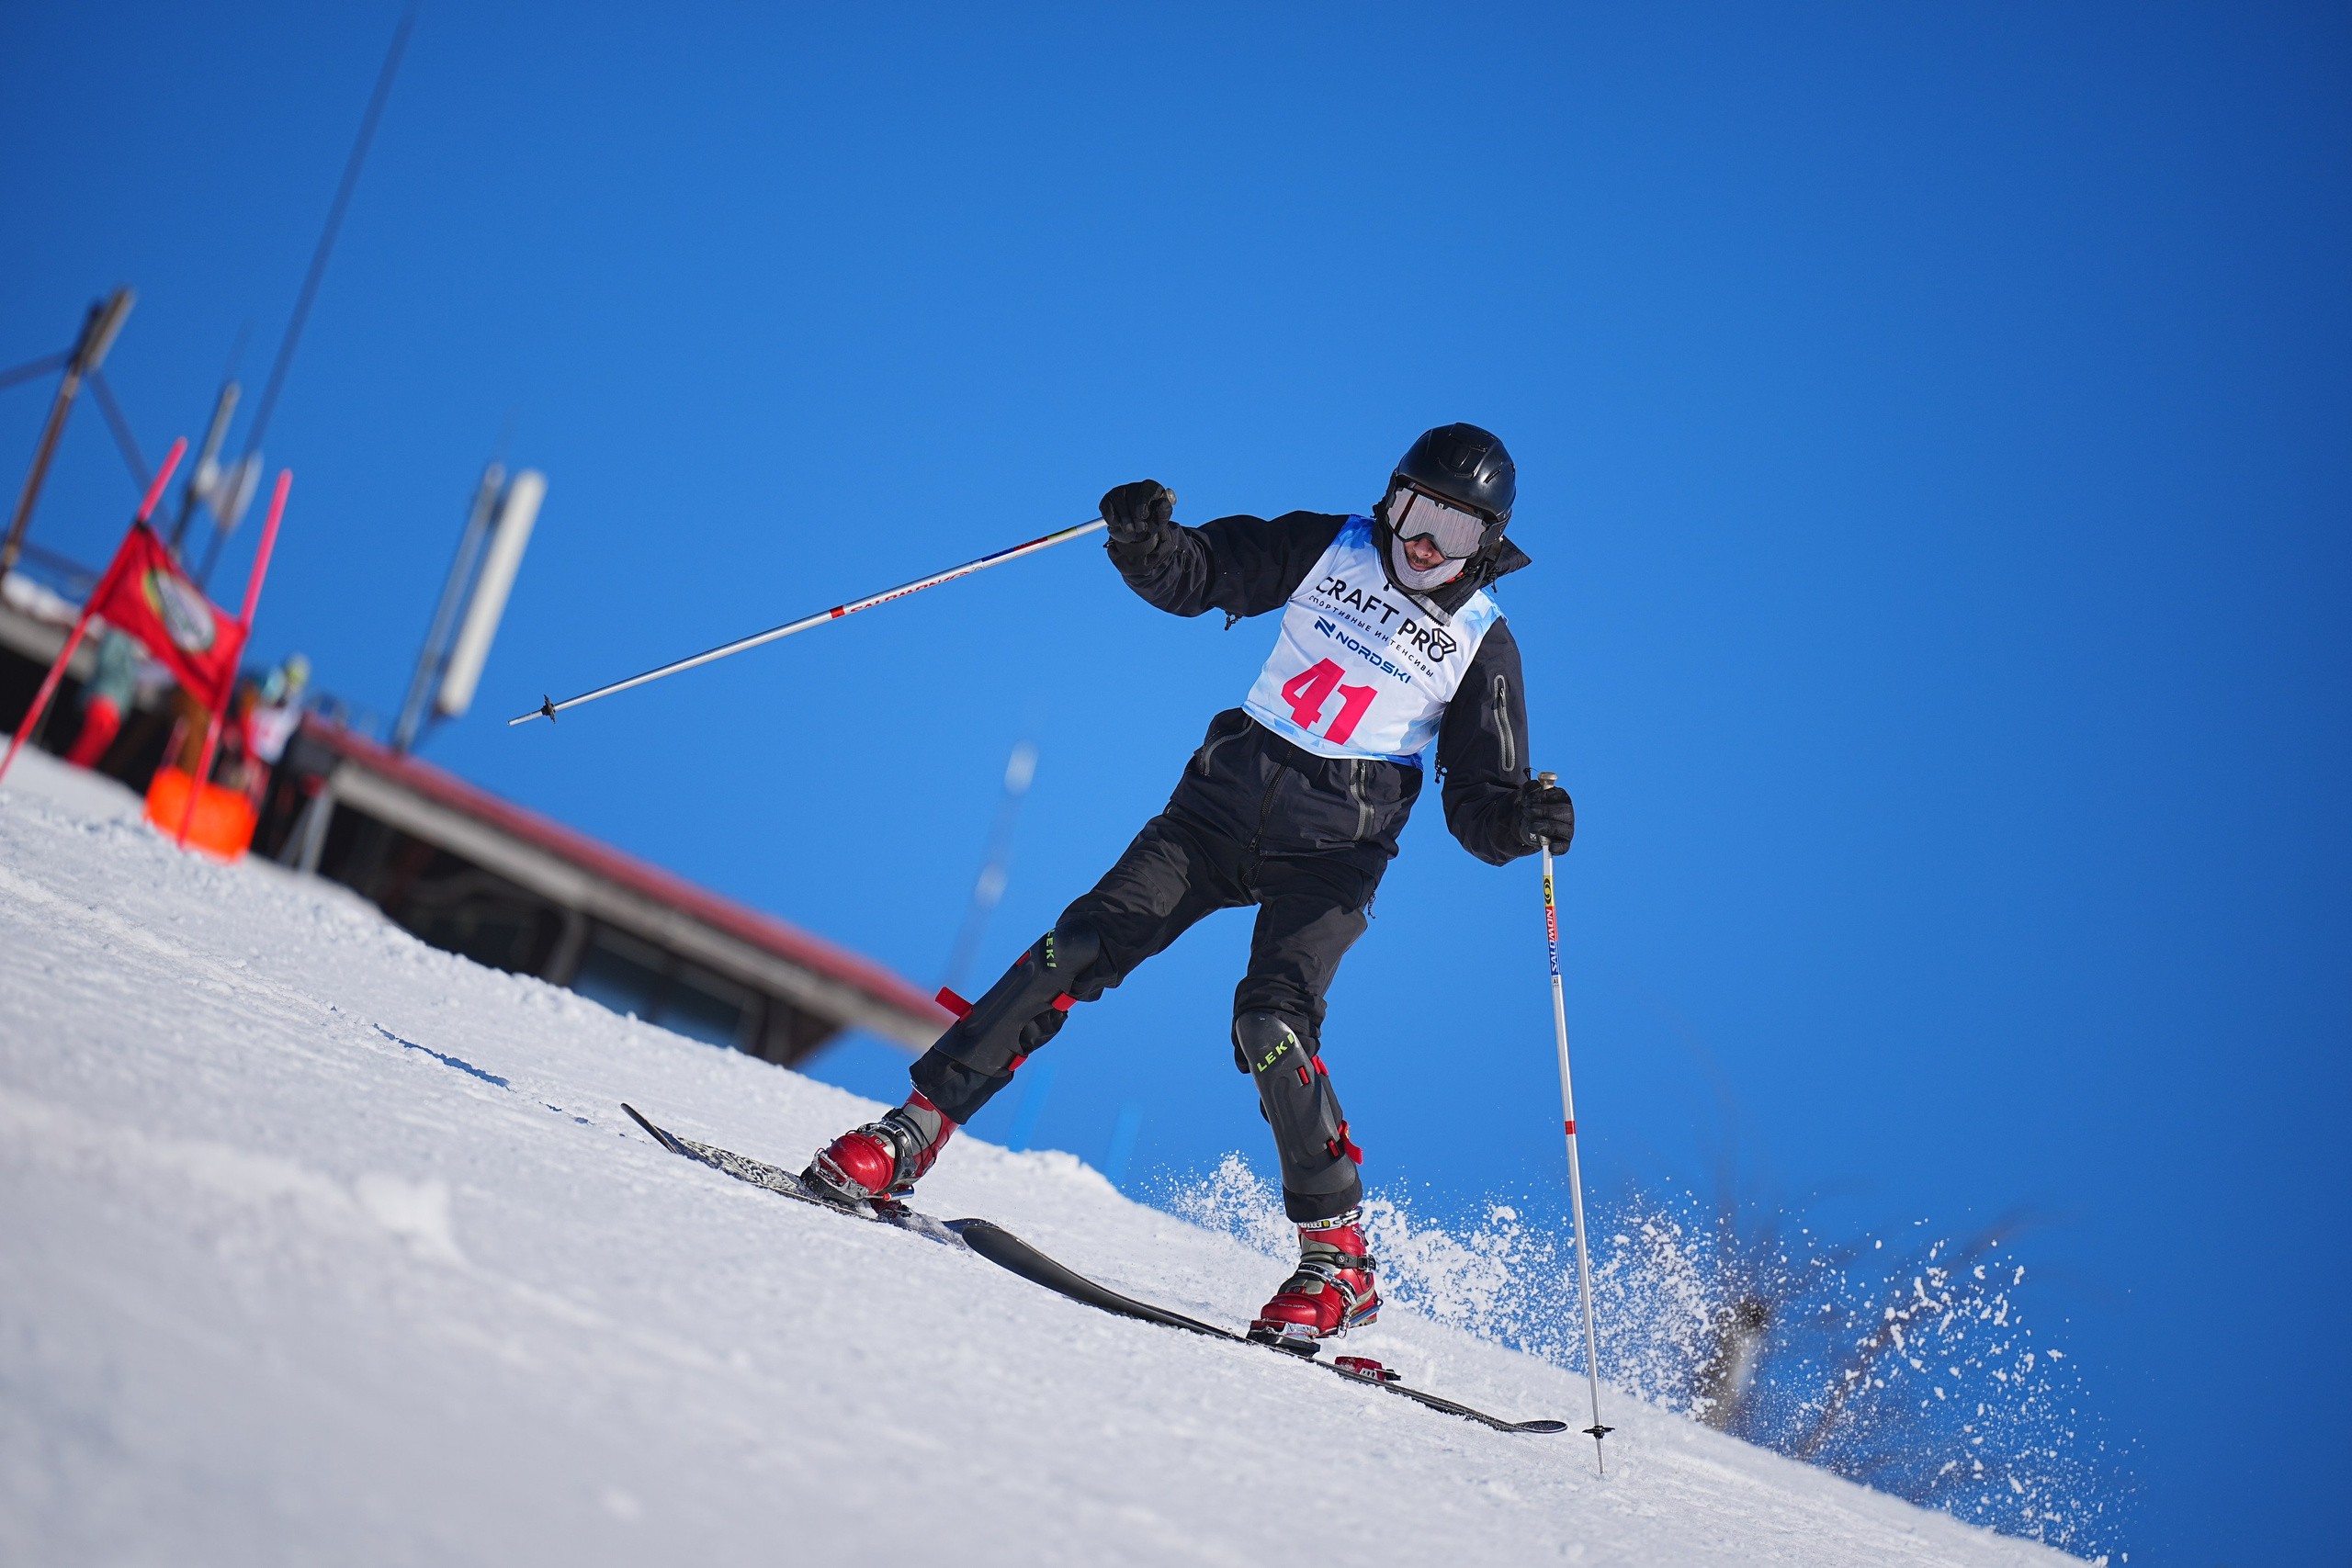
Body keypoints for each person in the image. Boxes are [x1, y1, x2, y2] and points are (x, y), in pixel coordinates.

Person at [804, 423, 1577, 1348]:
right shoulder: (1325, 545)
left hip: (1333, 855)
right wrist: (1144, 543)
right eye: (1415, 513)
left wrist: (1519, 821)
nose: (1421, 545)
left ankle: (1338, 1259)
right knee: (1079, 944)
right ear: (1389, 498)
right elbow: (1205, 571)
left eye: (1453, 534)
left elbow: (1480, 801)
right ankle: (911, 1135)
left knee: (1271, 1023)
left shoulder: (1483, 644)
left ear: (1486, 544)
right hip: (1214, 814)